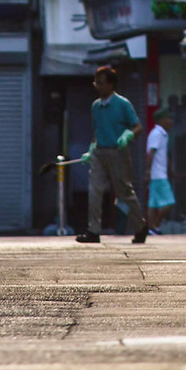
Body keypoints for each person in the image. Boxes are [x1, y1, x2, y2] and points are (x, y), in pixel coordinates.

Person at [76, 65, 147, 244]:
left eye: (100, 83)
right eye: (96, 83)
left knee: (124, 192)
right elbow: (97, 131)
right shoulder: (95, 107)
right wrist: (91, 149)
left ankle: (140, 226)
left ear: (111, 84)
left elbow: (137, 126)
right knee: (94, 191)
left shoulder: (123, 104)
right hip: (99, 152)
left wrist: (128, 135)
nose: (97, 86)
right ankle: (93, 230)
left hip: (118, 152)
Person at [145, 108, 175, 233]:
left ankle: (152, 228)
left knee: (153, 203)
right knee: (169, 202)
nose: (171, 121)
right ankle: (154, 225)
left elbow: (164, 154)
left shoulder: (162, 134)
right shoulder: (157, 134)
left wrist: (170, 169)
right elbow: (150, 153)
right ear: (161, 120)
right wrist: (148, 171)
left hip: (160, 173)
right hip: (158, 175)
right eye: (168, 119)